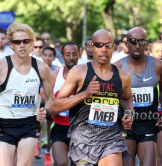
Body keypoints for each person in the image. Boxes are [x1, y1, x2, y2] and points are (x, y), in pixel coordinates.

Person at [54, 29, 133, 166]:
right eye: (99, 45)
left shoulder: (123, 76)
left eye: (108, 45)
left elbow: (127, 98)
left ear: (114, 47)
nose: (104, 49)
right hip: (83, 139)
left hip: (111, 138)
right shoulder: (79, 72)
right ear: (91, 47)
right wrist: (85, 94)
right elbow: (56, 105)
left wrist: (129, 112)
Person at [0, 23, 55, 166]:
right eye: (17, 42)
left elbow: (51, 98)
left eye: (26, 41)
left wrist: (45, 111)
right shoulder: (0, 66)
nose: (22, 45)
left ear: (31, 44)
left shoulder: (41, 68)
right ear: (11, 45)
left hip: (29, 122)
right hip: (5, 123)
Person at [115, 27, 162, 166]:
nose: (137, 46)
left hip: (148, 123)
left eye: (141, 41)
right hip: (125, 125)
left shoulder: (158, 65)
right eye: (133, 41)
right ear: (126, 44)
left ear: (146, 44)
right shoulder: (118, 67)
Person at [50, 42, 80, 166]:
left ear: (79, 55)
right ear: (62, 56)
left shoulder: (86, 74)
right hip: (59, 127)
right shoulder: (55, 76)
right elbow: (48, 104)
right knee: (61, 162)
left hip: (80, 129)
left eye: (74, 54)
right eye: (68, 54)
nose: (71, 57)